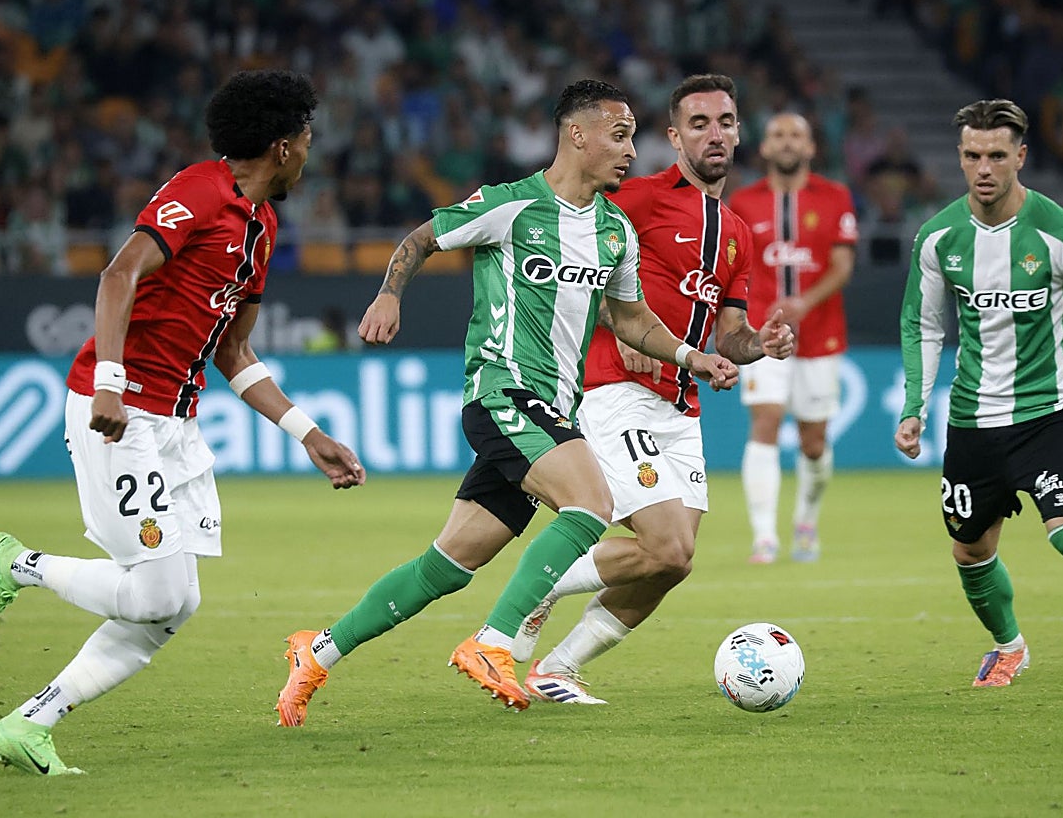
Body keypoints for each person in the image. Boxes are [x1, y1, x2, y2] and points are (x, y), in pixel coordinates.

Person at [276, 79, 739, 726]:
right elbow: (421, 240)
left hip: (551, 412)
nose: (631, 150)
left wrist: (693, 357)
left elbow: (631, 320)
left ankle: (317, 650)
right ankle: (495, 643)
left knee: (448, 565)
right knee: (593, 502)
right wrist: (389, 294)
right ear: (577, 134)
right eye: (619, 134)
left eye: (632, 136)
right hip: (502, 393)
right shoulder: (513, 206)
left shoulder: (614, 232)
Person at [0, 69, 365, 775]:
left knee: (173, 605)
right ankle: (15, 564)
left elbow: (235, 353)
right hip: (116, 412)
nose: (309, 149)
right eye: (306, 137)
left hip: (176, 424)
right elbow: (119, 275)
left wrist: (309, 434)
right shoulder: (199, 190)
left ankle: (30, 723)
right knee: (156, 591)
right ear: (282, 146)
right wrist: (110, 384)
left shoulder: (261, 228)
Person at [508, 73, 796, 704]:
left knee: (674, 562)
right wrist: (622, 330)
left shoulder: (738, 232)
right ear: (673, 136)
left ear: (739, 131)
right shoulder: (635, 198)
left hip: (681, 406)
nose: (714, 134)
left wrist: (756, 347)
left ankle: (557, 668)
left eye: (724, 121)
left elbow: (732, 333)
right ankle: (536, 588)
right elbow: (581, 266)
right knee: (663, 542)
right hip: (613, 389)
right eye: (699, 123)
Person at [895, 98, 1063, 688]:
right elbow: (923, 325)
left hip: (1051, 412)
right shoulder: (938, 238)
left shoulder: (1060, 233)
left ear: (1021, 157)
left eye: (996, 155)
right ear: (960, 158)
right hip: (973, 421)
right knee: (969, 552)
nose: (983, 167)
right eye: (971, 155)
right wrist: (914, 407)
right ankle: (1009, 648)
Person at [728, 112, 858, 563]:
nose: (787, 143)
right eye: (778, 135)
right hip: (762, 335)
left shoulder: (836, 196)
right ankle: (764, 536)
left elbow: (842, 265)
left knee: (814, 441)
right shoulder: (742, 202)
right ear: (763, 148)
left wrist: (807, 301)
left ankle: (806, 520)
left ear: (810, 147)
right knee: (764, 421)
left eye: (796, 135)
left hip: (821, 335)